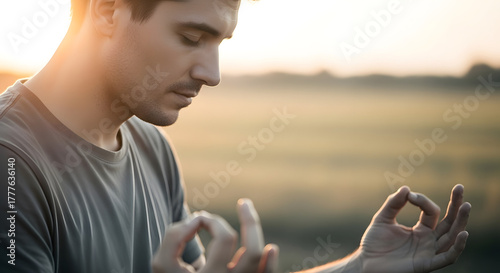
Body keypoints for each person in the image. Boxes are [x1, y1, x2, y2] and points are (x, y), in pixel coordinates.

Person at [0, 0, 470, 272]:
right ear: (106, 11)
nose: (212, 73)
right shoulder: (11, 165)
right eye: (190, 37)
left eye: (219, 44)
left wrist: (358, 268)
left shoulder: (150, 146)